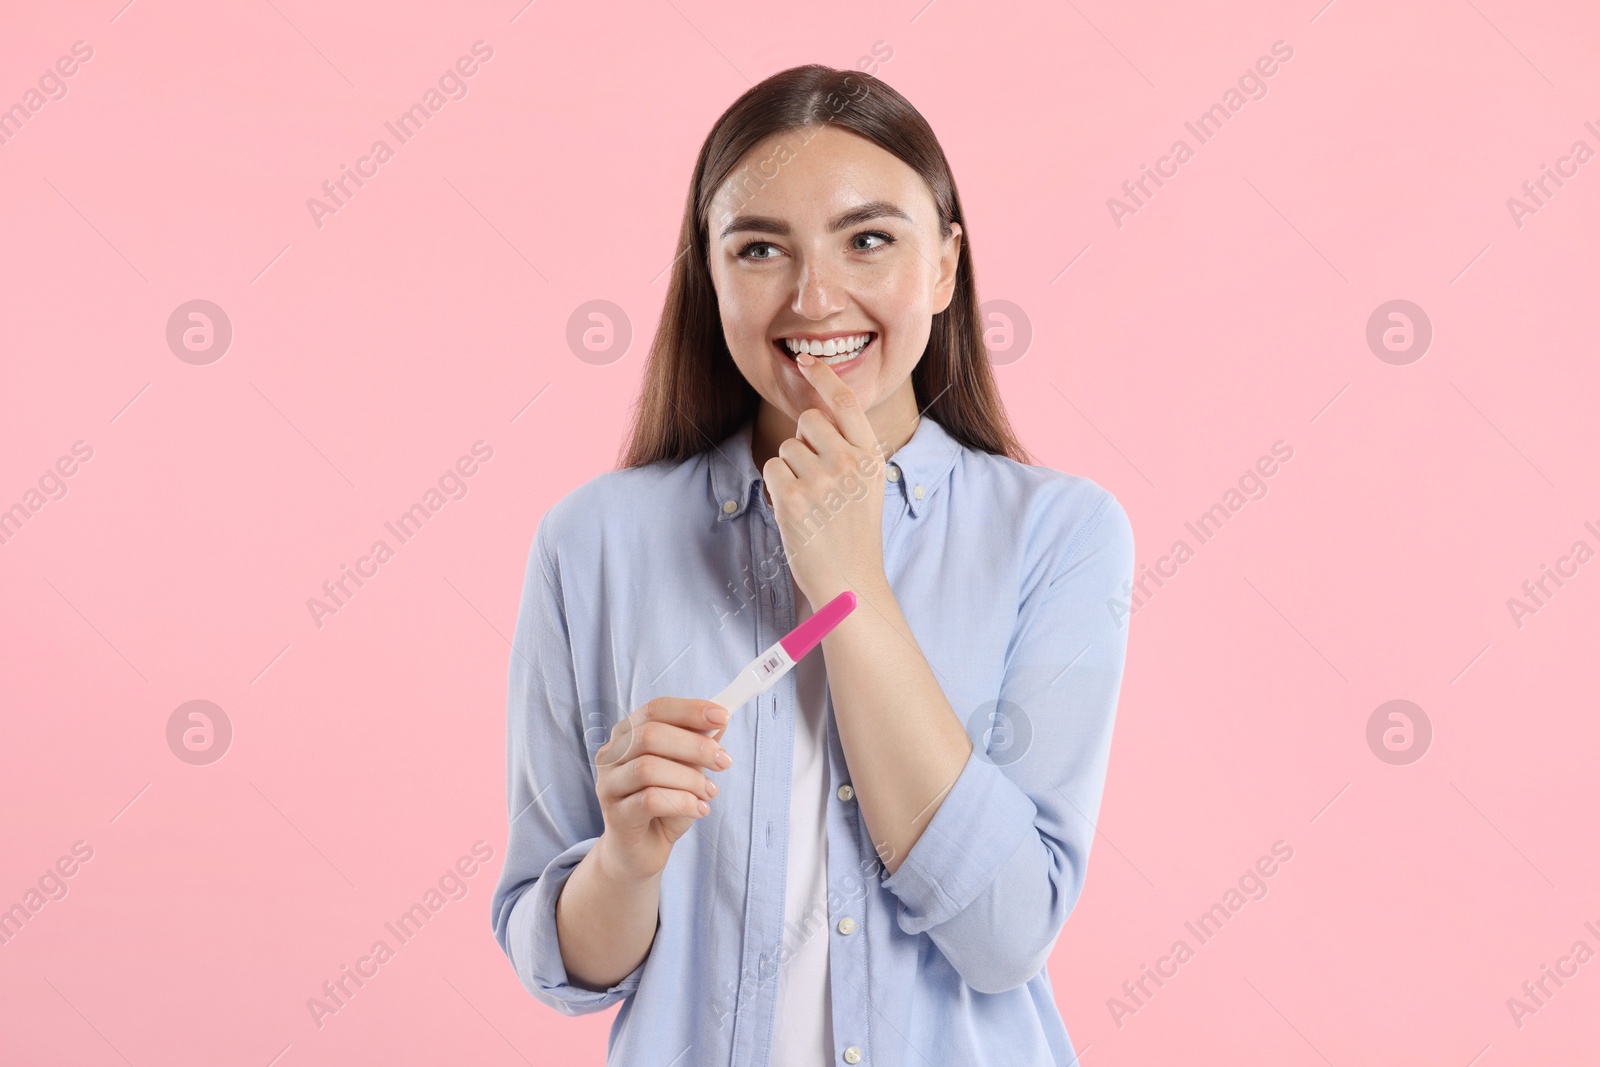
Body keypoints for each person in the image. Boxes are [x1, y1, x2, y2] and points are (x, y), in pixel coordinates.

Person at [490, 63, 1135, 1066]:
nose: (814, 296)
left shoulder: (1059, 534)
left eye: (869, 237)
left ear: (944, 266)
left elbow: (1006, 935)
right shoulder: (592, 542)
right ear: (708, 273)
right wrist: (623, 862)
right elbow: (562, 963)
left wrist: (853, 584)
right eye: (758, 248)